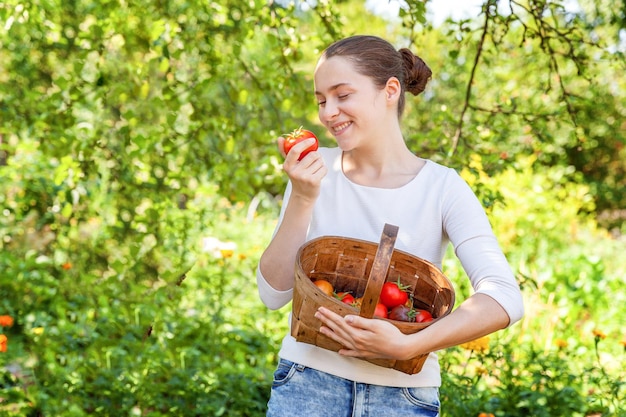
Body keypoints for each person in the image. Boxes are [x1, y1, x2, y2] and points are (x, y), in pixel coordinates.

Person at [256, 35, 524, 417]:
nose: (328, 112)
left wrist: (408, 345)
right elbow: (273, 294)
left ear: (391, 90)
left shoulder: (442, 187)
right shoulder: (313, 174)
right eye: (320, 100)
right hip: (306, 385)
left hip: (403, 399)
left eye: (342, 95)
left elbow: (504, 298)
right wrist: (302, 198)